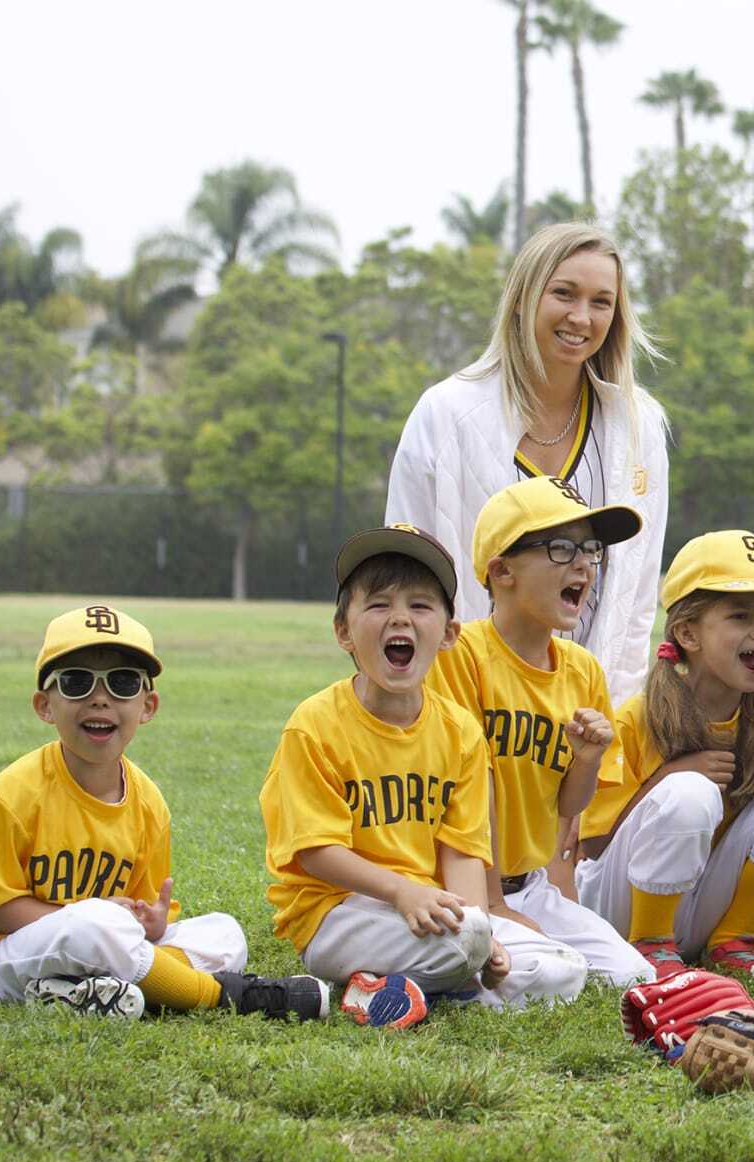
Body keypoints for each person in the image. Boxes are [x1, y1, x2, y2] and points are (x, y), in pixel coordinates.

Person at [264, 526, 587, 1028]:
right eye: (378, 605)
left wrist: (481, 927)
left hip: (432, 911)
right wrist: (402, 893)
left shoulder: (459, 732)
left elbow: (461, 851)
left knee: (566, 968)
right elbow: (314, 851)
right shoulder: (315, 725)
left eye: (420, 605)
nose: (400, 618)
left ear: (449, 634)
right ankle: (449, 982)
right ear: (344, 631)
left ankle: (402, 991)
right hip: (336, 913)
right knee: (466, 948)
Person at [0, 606, 325, 1021]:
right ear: (44, 705)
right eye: (76, 681)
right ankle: (219, 995)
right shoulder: (12, 794)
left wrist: (152, 923)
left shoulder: (147, 802)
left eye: (123, 682)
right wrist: (96, 918)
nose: (100, 697)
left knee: (224, 934)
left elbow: (139, 920)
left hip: (101, 945)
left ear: (148, 705)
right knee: (97, 927)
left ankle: (85, 993)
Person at [387, 221, 669, 704]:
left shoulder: (638, 425)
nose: (581, 317)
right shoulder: (445, 412)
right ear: (523, 297)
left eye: (601, 302)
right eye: (564, 293)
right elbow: (404, 570)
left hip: (589, 719)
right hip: (465, 711)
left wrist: (614, 724)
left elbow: (637, 598)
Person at [576, 531, 754, 979]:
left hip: (695, 907)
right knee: (689, 791)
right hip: (618, 909)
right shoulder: (639, 715)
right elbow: (593, 846)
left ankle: (732, 941)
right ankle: (651, 943)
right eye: (740, 616)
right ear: (687, 633)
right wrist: (668, 778)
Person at [425, 476, 654, 988]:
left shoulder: (582, 670)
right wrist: (492, 903)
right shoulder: (460, 655)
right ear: (501, 570)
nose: (583, 565)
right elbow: (464, 795)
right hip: (459, 882)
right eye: (559, 547)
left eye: (590, 550)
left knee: (632, 975)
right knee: (550, 974)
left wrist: (588, 758)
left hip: (529, 885)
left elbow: (570, 807)